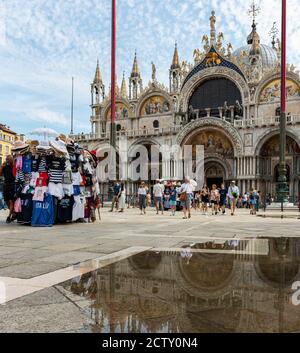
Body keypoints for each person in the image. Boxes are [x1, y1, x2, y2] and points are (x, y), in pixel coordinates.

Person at [0, 155, 16, 223]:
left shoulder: (14, 166)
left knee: (11, 201)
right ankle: (14, 214)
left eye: (8, 159)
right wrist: (1, 166)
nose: (7, 161)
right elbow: (0, 174)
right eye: (6, 159)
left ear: (11, 160)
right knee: (6, 200)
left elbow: (15, 175)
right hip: (6, 185)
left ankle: (9, 216)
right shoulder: (4, 167)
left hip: (12, 184)